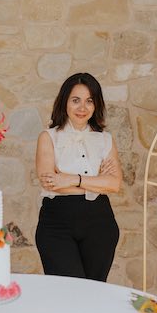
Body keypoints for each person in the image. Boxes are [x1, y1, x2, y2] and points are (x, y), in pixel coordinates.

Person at [35, 72, 122, 282]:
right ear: (64, 102)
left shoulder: (105, 140)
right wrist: (97, 182)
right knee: (67, 291)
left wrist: (72, 179)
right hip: (57, 223)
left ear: (96, 105)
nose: (82, 107)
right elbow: (51, 183)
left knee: (93, 291)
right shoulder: (49, 137)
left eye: (89, 101)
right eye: (76, 100)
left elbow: (115, 184)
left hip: (100, 223)